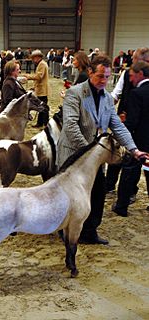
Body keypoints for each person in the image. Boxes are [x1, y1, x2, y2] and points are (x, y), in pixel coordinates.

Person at [56, 54, 147, 245]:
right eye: (100, 76)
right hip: (73, 154)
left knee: (97, 194)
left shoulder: (107, 98)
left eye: (107, 77)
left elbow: (118, 126)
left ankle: (90, 232)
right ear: (90, 72)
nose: (104, 81)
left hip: (94, 159)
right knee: (68, 197)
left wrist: (134, 150)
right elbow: (70, 125)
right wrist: (89, 152)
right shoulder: (75, 93)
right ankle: (64, 231)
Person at [106, 47, 149, 194]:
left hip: (140, 128)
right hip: (123, 122)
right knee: (116, 155)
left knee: (136, 163)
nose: (133, 62)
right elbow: (116, 94)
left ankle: (130, 192)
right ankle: (110, 185)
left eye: (136, 60)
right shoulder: (126, 74)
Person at [112, 61, 149, 216]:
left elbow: (132, 121)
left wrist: (121, 129)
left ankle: (121, 207)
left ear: (140, 74)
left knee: (129, 173)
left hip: (138, 141)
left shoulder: (137, 93)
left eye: (132, 76)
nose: (131, 80)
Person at [23, 49, 49, 128]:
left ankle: (44, 123)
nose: (33, 60)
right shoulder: (41, 64)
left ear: (37, 57)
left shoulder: (42, 65)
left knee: (43, 107)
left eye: (33, 58)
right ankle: (42, 123)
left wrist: (28, 76)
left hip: (42, 90)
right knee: (42, 107)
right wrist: (34, 87)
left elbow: (39, 77)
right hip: (40, 89)